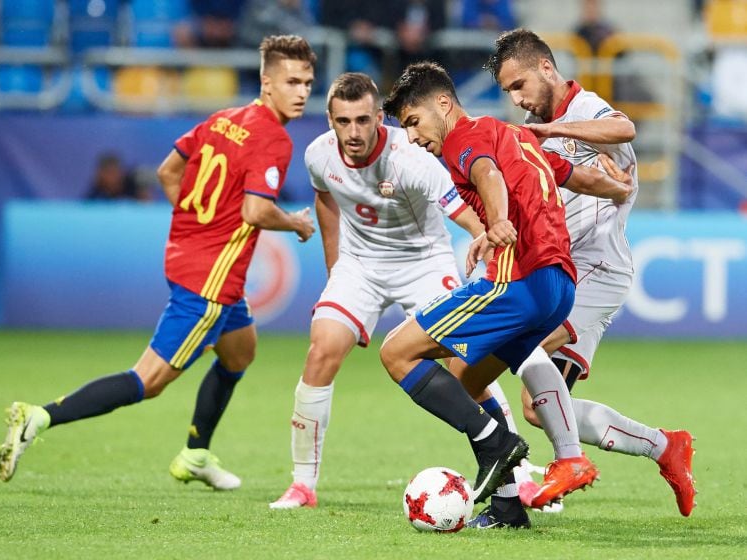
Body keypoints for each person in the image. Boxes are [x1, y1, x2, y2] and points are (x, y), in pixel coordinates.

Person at [0, 35, 318, 489]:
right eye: (291, 81)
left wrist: (195, 223)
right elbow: (256, 211)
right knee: (148, 380)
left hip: (190, 258)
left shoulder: (221, 119)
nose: (302, 91)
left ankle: (196, 453)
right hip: (209, 281)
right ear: (267, 82)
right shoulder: (274, 139)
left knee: (240, 349)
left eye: (307, 82)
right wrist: (297, 225)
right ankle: (40, 417)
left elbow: (169, 171)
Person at [474, 28, 696, 518]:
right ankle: (665, 447)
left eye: (519, 85)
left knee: (522, 340)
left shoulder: (584, 108)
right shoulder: (534, 130)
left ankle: (567, 463)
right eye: (508, 91)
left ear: (547, 69)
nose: (516, 99)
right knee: (539, 409)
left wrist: (554, 132)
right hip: (567, 274)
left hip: (597, 267)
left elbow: (625, 129)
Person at [379, 60, 603, 526]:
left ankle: (495, 444)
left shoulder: (465, 136)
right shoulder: (513, 134)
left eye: (414, 122)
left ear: (443, 103)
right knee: (466, 377)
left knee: (397, 353)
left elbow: (488, 176)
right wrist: (614, 187)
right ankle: (507, 505)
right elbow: (569, 175)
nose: (415, 137)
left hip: (517, 279)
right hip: (558, 286)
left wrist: (497, 221)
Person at [268, 71, 488, 510]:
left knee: (466, 359)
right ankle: (302, 485)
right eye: (343, 121)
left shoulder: (411, 157)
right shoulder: (318, 155)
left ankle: (511, 467)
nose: (353, 132)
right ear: (329, 120)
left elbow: (462, 211)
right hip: (361, 266)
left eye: (363, 121)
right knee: (321, 349)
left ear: (379, 118)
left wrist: (489, 239)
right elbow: (325, 200)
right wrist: (335, 271)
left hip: (423, 262)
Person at [86, 152, 153, 201]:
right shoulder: (96, 192)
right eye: (108, 173)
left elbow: (147, 207)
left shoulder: (133, 186)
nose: (112, 177)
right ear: (101, 175)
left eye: (114, 172)